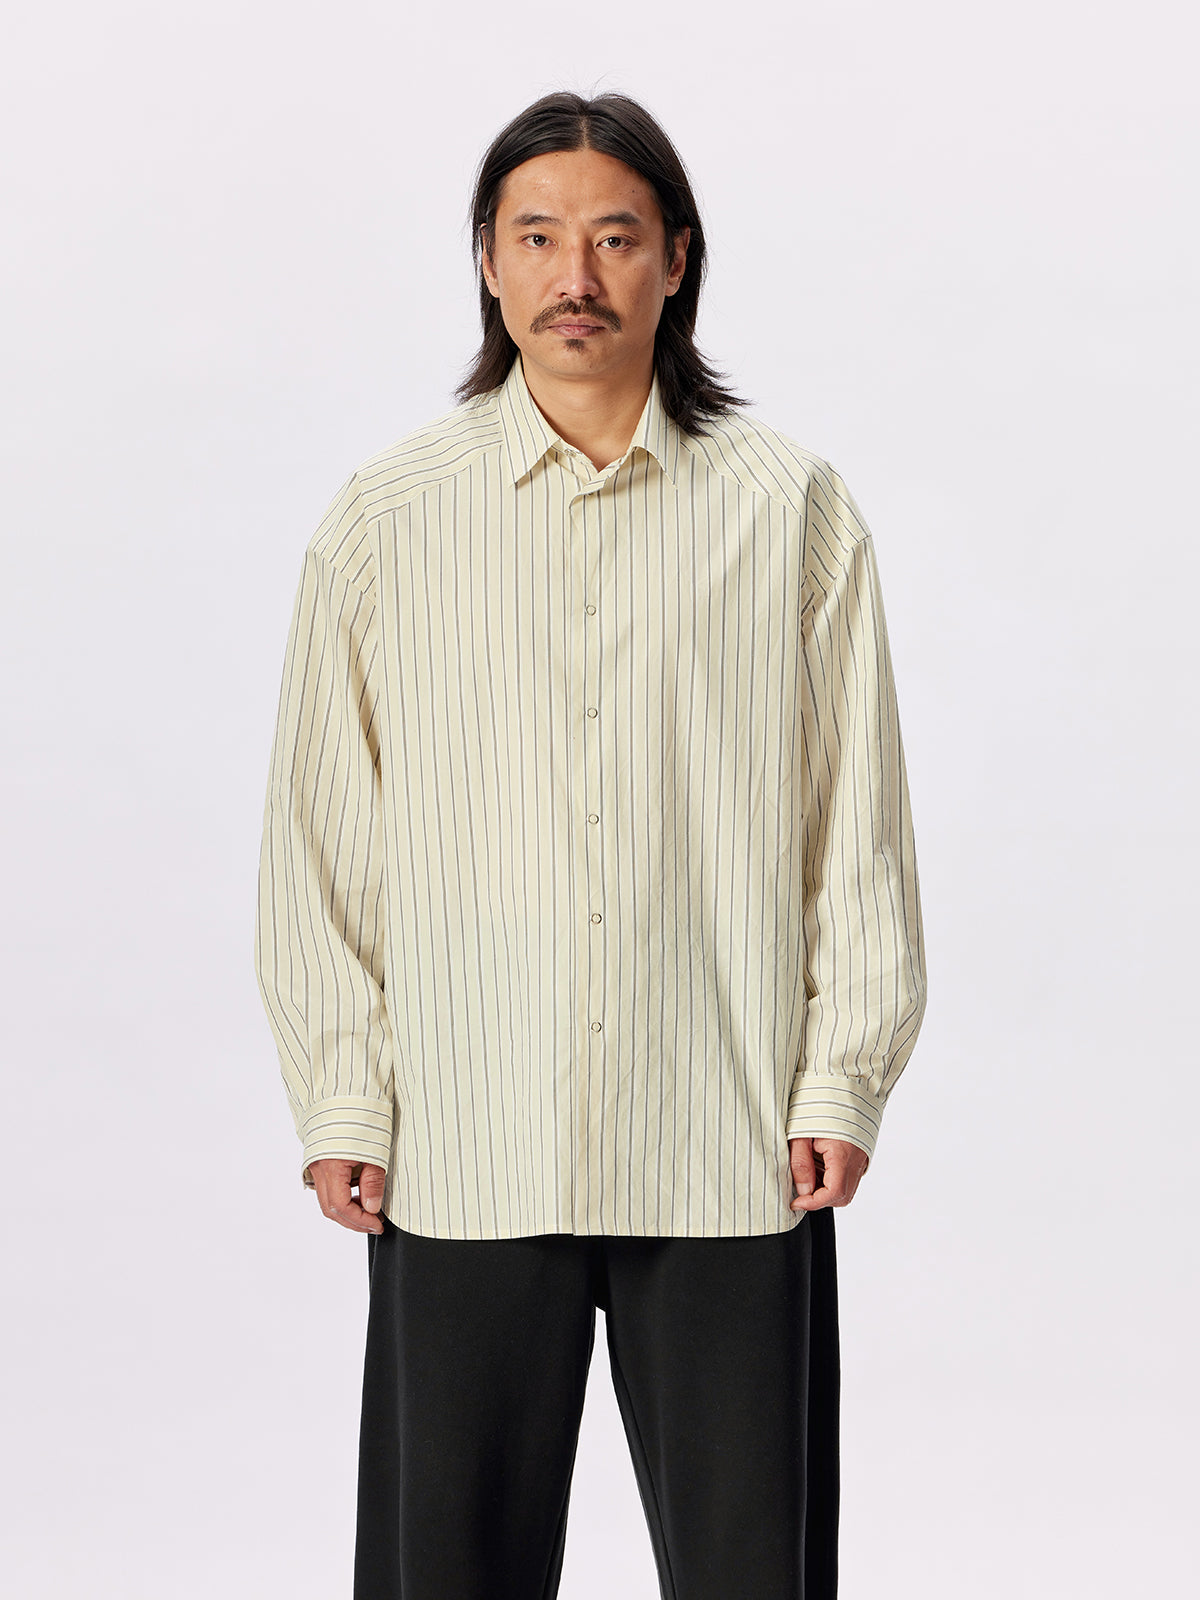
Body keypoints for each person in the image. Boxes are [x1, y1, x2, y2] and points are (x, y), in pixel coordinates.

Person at [254, 89, 926, 1600]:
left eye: (616, 238)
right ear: (487, 263)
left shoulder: (791, 511)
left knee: (754, 1572)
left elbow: (858, 827)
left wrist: (843, 1074)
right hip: (468, 1142)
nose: (577, 276)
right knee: (444, 1570)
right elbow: (322, 837)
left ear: (676, 261)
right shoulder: (388, 519)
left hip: (728, 1138)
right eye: (537, 237)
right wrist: (344, 1093)